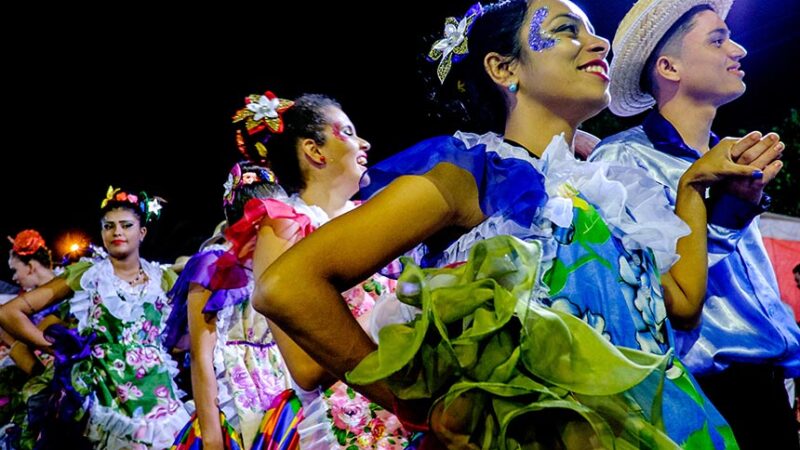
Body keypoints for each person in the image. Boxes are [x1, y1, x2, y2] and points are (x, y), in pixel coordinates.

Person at [253, 1, 766, 448]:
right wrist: (418, 407)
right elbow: (287, 286)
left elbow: (680, 303)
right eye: (568, 29)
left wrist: (692, 191)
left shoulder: (613, 193)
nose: (599, 41)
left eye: (590, 30)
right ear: (503, 68)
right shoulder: (471, 175)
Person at [589, 0, 799, 447]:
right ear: (669, 66)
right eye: (718, 39)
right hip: (701, 394)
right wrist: (724, 216)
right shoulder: (621, 159)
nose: (738, 50)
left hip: (768, 387)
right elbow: (647, 297)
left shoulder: (733, 156)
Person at [217, 91, 417, 449]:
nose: (364, 142)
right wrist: (386, 320)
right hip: (353, 421)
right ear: (314, 151)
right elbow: (305, 369)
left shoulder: (370, 216)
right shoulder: (282, 227)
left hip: (406, 398)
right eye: (349, 132)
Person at [0, 187, 190, 449]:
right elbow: (9, 313)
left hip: (157, 391)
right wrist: (59, 350)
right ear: (102, 233)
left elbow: (181, 336)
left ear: (142, 232)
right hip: (103, 389)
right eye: (109, 226)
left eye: (126, 225)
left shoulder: (164, 278)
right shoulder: (88, 274)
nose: (117, 232)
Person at [166, 161, 293, 450]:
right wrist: (212, 437)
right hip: (233, 392)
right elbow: (201, 355)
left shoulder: (280, 264)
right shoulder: (214, 263)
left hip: (283, 384)